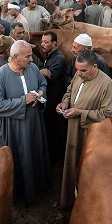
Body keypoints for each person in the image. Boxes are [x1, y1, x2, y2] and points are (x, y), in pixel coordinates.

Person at [0, 40, 52, 205]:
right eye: (28, 56)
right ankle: (22, 192)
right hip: (14, 129)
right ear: (15, 57)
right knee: (19, 158)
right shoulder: (0, 76)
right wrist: (22, 101)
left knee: (36, 152)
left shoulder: (33, 69)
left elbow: (43, 84)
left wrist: (40, 93)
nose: (32, 59)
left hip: (35, 125)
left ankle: (39, 184)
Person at [57, 49, 112, 209]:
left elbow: (107, 114)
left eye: (83, 70)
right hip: (72, 129)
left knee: (86, 167)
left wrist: (80, 112)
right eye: (77, 69)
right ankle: (69, 198)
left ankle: (85, 205)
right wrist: (65, 102)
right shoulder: (79, 74)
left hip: (89, 135)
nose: (79, 73)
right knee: (71, 161)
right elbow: (69, 91)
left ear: (95, 66)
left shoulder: (107, 85)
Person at [39, 31, 68, 164]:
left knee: (54, 127)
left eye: (46, 42)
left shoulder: (59, 58)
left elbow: (49, 74)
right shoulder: (49, 55)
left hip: (56, 99)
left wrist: (35, 71)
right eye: (42, 42)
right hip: (50, 97)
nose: (42, 44)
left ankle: (55, 158)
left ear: (54, 43)